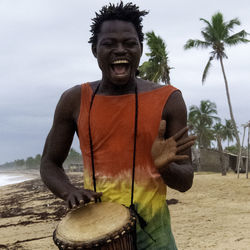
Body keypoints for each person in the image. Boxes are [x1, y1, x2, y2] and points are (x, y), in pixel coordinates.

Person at [40, 2, 196, 249]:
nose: (120, 50)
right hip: (97, 233)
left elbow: (185, 181)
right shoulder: (74, 100)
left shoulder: (169, 99)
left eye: (129, 43)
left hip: (155, 234)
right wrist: (68, 191)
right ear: (95, 50)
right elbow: (49, 162)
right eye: (109, 44)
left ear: (141, 49)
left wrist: (164, 168)